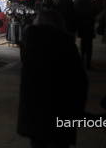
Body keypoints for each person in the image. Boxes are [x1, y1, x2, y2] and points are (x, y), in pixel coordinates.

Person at [18, 10, 88, 148]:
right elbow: (80, 80)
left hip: (35, 110)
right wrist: (78, 109)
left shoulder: (30, 43)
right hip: (61, 107)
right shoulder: (66, 44)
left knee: (38, 142)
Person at [76, 0, 96, 69]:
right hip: (89, 29)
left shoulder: (81, 6)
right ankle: (87, 62)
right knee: (89, 46)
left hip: (83, 28)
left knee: (83, 44)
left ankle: (83, 59)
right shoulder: (91, 6)